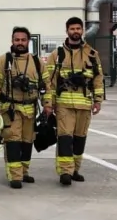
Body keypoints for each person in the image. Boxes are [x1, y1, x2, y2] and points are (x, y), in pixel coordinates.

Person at [42, 17, 104, 185]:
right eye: (72, 29)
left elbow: (98, 79)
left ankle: (75, 169)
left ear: (82, 30)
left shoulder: (92, 54)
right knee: (65, 138)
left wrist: (98, 100)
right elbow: (49, 81)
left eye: (78, 28)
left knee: (79, 139)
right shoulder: (57, 55)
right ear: (67, 31)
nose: (75, 31)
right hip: (64, 105)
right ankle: (65, 172)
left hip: (84, 104)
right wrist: (49, 103)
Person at [0, 27, 44, 188]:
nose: (20, 43)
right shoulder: (2, 61)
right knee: (12, 141)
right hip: (10, 109)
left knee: (27, 142)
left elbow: (46, 85)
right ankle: (15, 176)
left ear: (28, 41)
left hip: (31, 110)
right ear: (12, 41)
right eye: (17, 40)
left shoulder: (36, 62)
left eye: (23, 40)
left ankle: (24, 171)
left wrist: (47, 105)